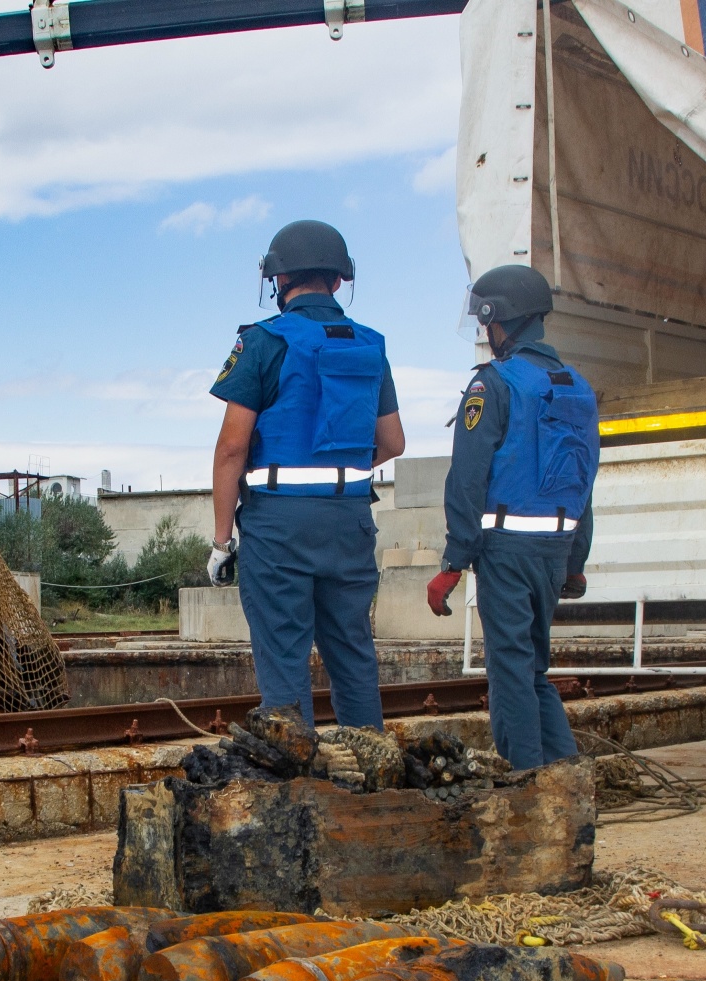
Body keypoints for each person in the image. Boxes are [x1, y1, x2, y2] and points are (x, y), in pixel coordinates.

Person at [208, 220, 406, 727]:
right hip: (350, 521)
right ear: (339, 281)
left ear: (278, 279)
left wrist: (222, 539)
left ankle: (294, 791)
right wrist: (336, 472)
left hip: (279, 526)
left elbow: (232, 448)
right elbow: (392, 443)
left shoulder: (263, 342)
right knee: (353, 655)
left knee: (284, 659)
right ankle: (372, 777)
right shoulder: (370, 345)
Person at [426, 265, 599, 768]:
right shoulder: (577, 389)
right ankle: (567, 780)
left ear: (499, 320)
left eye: (486, 323)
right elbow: (583, 482)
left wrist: (453, 563)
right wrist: (575, 560)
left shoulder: (494, 385)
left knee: (509, 674)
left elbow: (467, 479)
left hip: (505, 552)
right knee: (533, 670)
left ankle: (528, 786)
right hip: (553, 554)